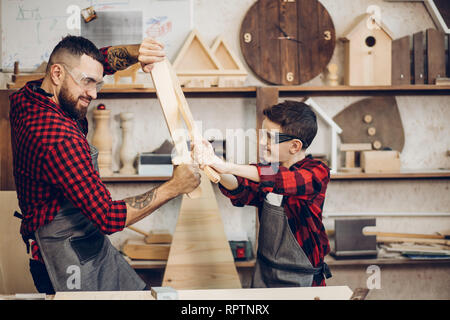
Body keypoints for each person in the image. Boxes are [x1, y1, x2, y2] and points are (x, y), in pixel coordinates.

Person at [9, 35, 201, 293]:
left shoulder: (28, 97)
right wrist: (175, 186)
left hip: (85, 240)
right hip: (64, 256)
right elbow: (108, 217)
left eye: (97, 82)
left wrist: (136, 52)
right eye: (87, 83)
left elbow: (86, 62)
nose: (94, 93)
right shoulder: (58, 139)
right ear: (56, 73)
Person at [194, 100, 332, 287]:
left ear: (295, 146)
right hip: (265, 274)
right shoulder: (266, 171)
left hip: (303, 279)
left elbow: (282, 179)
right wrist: (215, 166)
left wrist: (227, 166)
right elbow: (241, 188)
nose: (261, 142)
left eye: (269, 137)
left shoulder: (316, 172)